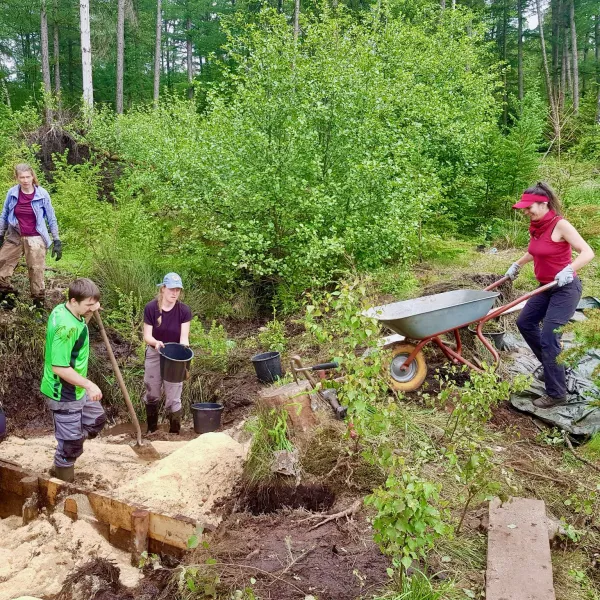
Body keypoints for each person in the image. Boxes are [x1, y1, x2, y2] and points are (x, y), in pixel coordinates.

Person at [505, 182, 595, 409]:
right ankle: (554, 367)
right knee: (525, 322)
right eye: (523, 208)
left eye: (529, 208)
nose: (525, 212)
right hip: (545, 287)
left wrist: (570, 269)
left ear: (543, 203)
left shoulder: (561, 225)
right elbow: (535, 251)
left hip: (565, 289)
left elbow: (587, 252)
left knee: (549, 337)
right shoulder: (537, 226)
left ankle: (557, 393)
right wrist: (517, 264)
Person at [40, 278, 107, 482]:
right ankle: (62, 472)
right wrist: (88, 383)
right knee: (70, 446)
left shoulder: (65, 309)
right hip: (63, 392)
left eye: (93, 304)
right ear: (73, 300)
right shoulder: (65, 328)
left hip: (75, 388)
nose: (92, 308)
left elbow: (80, 326)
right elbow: (59, 367)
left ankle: (71, 442)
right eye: (88, 305)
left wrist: (88, 311)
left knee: (97, 420)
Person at [0, 163, 62, 307]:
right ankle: (9, 296)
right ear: (17, 178)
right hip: (14, 235)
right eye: (22, 177)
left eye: (28, 176)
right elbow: (4, 215)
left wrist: (57, 240)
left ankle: (38, 304)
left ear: (33, 176)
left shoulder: (42, 194)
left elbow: (51, 217)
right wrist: (1, 234)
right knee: (2, 263)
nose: (25, 180)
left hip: (35, 237)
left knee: (36, 270)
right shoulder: (12, 193)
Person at [143, 272, 191, 434]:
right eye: (171, 289)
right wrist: (156, 343)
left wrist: (184, 348)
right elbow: (147, 336)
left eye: (177, 290)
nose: (174, 293)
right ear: (163, 289)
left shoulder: (184, 311)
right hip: (155, 352)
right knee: (152, 393)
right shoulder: (151, 308)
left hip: (174, 357)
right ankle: (151, 430)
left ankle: (174, 432)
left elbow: (184, 338)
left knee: (173, 397)